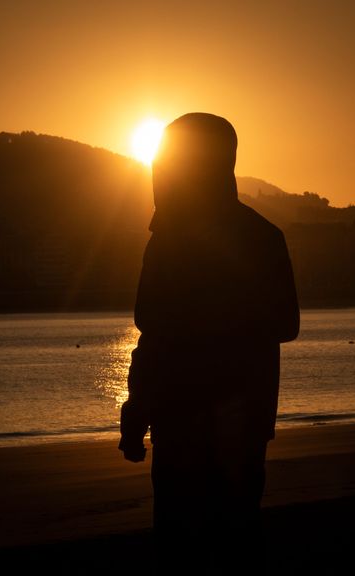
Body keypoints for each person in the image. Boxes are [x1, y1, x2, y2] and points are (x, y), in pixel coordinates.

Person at [118, 112, 300, 572]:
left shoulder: (243, 239)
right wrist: (137, 408)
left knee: (207, 538)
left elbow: (283, 322)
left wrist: (140, 406)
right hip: (199, 417)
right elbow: (152, 330)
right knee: (216, 536)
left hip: (214, 417)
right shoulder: (247, 237)